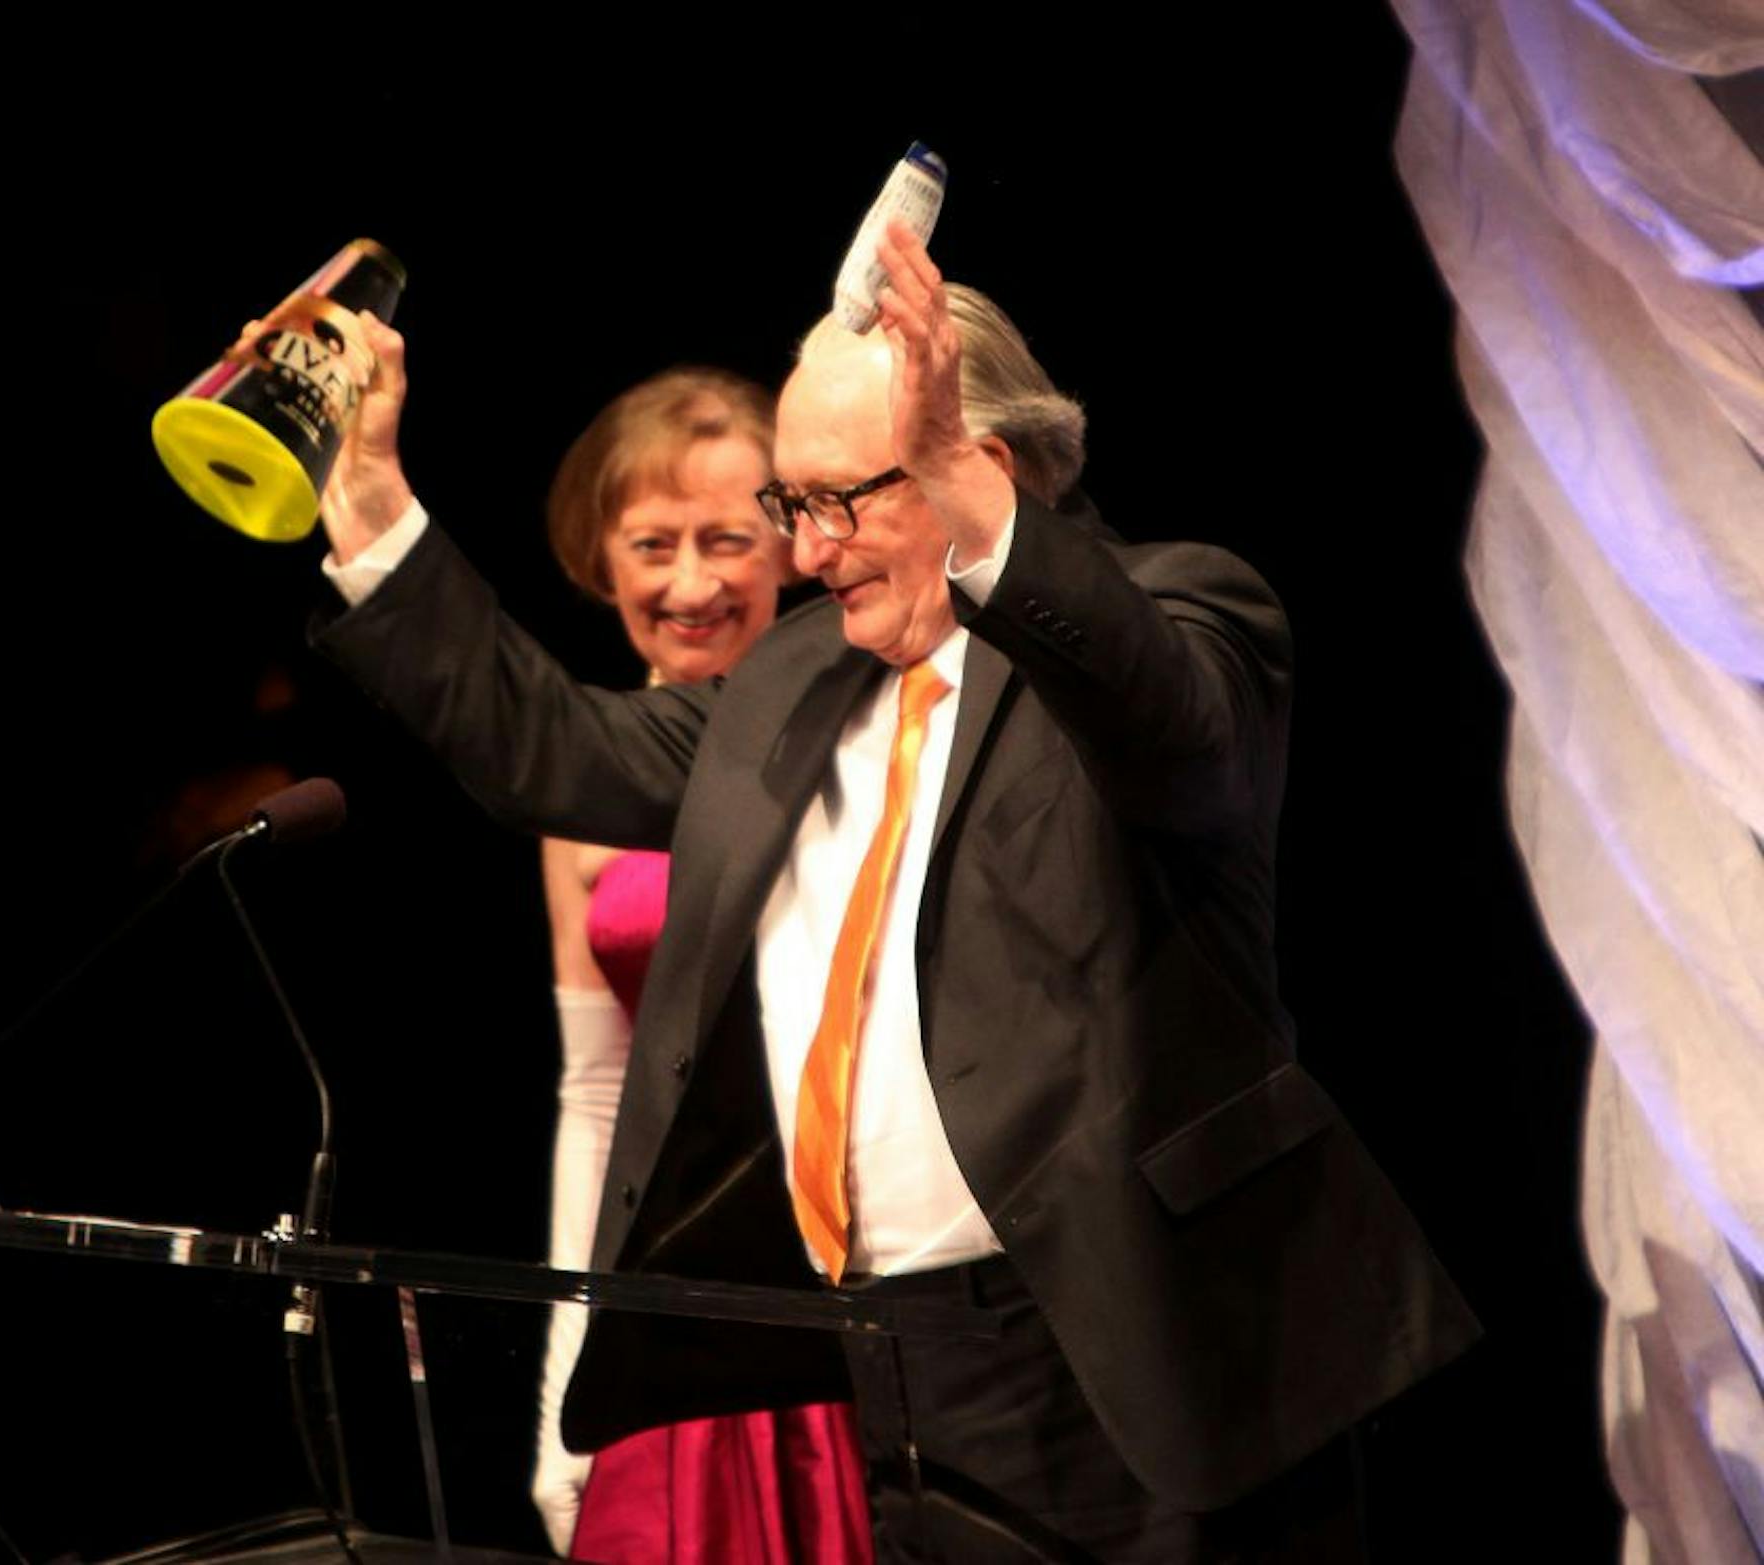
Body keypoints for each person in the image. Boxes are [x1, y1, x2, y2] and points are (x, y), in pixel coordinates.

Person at [306, 223, 1479, 1561]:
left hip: (1135, 1350)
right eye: (793, 510)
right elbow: (550, 747)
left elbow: (1176, 736)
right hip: (885, 1362)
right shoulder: (796, 683)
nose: (808, 554)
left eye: (840, 500)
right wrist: (370, 499)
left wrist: (983, 521)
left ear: (982, 465)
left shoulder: (1179, 614)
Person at [530, 370, 869, 1561]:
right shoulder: (575, 797)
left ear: (789, 542)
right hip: (665, 1341)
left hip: (831, 1313)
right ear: (601, 558)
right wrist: (563, 1382)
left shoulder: (859, 746)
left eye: (728, 539)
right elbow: (595, 1097)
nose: (691, 582)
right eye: (653, 543)